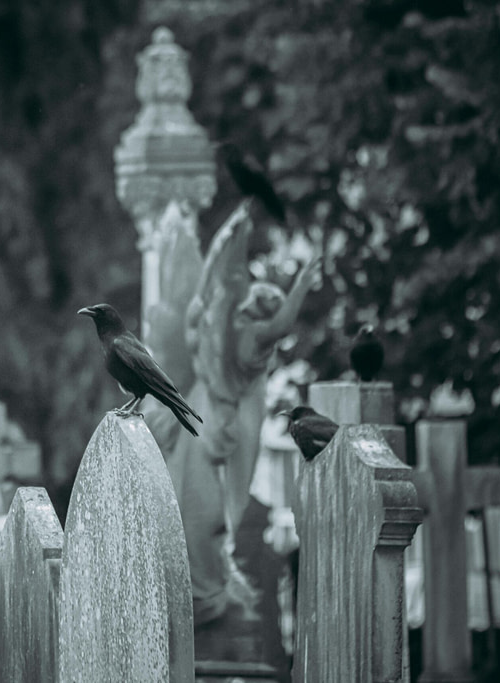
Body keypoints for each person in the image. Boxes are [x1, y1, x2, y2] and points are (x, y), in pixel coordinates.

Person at [145, 201, 319, 641]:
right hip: (206, 418)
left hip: (225, 424)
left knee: (211, 509)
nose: (247, 293)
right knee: (192, 502)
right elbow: (205, 298)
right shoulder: (223, 324)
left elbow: (275, 320)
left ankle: (208, 588)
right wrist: (227, 242)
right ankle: (200, 588)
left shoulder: (252, 338)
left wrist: (299, 284)